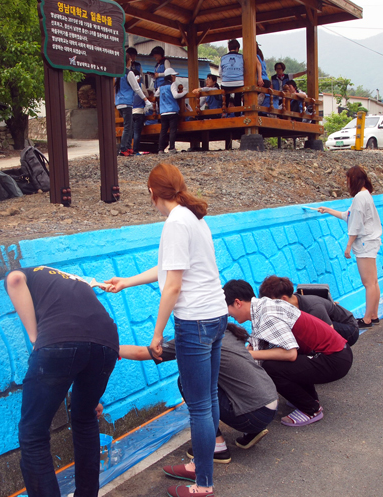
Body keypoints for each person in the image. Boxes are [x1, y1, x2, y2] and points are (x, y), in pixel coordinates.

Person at [104, 163, 228, 497]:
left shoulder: (175, 223)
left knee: (199, 405)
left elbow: (173, 285)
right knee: (209, 397)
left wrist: (157, 334)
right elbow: (169, 266)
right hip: (216, 315)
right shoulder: (194, 217)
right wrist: (126, 282)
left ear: (152, 193)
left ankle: (203, 485)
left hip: (195, 322)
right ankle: (201, 464)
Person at [5, 266, 119, 497]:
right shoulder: (74, 280)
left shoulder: (26, 272)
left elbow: (15, 279)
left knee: (33, 431)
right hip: (108, 342)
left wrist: (35, 337)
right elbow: (80, 346)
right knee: (85, 417)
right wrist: (88, 397)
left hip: (60, 342)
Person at [120, 322, 277, 466]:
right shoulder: (224, 330)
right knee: (212, 376)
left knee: (187, 380)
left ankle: (217, 447)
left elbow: (142, 353)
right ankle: (251, 432)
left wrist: (112, 347)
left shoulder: (193, 338)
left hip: (253, 415)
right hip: (270, 403)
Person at [223, 279, 353, 428]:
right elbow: (256, 342)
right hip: (337, 353)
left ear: (238, 303)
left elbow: (290, 354)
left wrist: (249, 356)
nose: (228, 314)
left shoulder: (267, 316)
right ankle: (309, 398)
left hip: (335, 358)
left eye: (227, 308)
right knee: (279, 362)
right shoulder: (263, 306)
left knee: (271, 367)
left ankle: (311, 409)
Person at [317, 166, 382, 328]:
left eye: (347, 180)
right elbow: (349, 216)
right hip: (371, 241)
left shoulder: (360, 197)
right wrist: (328, 210)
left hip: (365, 243)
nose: (346, 183)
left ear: (353, 180)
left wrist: (348, 246)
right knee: (373, 281)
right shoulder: (365, 195)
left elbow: (356, 224)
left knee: (368, 283)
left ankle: (367, 318)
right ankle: (373, 315)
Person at [258, 276, 359, 346]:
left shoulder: (314, 308)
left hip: (349, 329)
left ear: (284, 299)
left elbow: (330, 336)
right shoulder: (293, 303)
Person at [115, 58, 152, 157]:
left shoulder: (117, 73)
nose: (131, 63)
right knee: (128, 126)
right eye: (130, 62)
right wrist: (146, 100)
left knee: (130, 125)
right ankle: (123, 148)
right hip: (126, 102)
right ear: (127, 62)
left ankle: (127, 147)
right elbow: (136, 88)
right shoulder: (129, 73)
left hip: (119, 102)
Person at [155, 68, 187, 154]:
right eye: (174, 75)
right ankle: (171, 147)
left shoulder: (161, 86)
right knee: (173, 130)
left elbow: (156, 94)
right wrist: (184, 92)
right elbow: (176, 95)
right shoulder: (172, 85)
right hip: (172, 110)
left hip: (163, 111)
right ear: (171, 76)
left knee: (163, 130)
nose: (175, 77)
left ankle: (160, 149)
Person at [131, 70, 150, 156]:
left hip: (131, 111)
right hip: (139, 112)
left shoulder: (129, 86)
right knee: (137, 132)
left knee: (131, 131)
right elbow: (147, 95)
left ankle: (129, 149)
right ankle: (135, 150)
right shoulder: (140, 86)